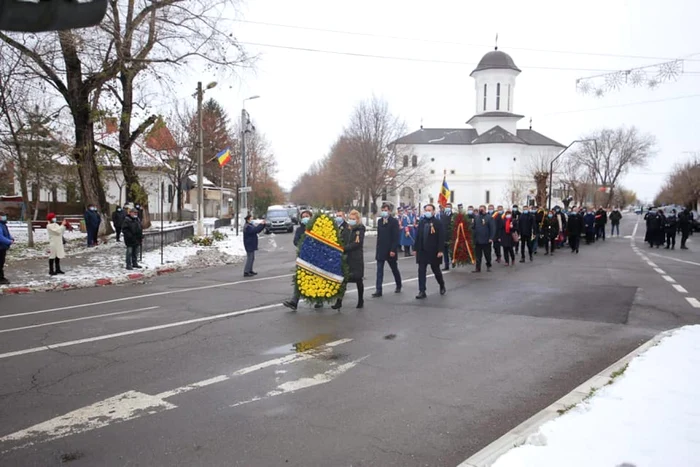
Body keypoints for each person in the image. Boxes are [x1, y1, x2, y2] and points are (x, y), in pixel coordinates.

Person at [283, 210, 323, 311]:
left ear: (311, 217)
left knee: (316, 279)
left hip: (315, 258)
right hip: (303, 257)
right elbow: (296, 241)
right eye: (303, 216)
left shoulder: (316, 227)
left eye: (307, 216)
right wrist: (303, 245)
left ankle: (319, 300)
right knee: (300, 279)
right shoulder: (299, 229)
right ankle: (294, 302)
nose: (305, 218)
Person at [332, 210, 365, 310]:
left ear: (357, 219)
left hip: (356, 258)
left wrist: (344, 248)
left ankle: (360, 300)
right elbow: (342, 239)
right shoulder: (346, 228)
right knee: (343, 280)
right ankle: (339, 301)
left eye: (353, 219)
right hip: (346, 258)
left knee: (358, 279)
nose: (351, 220)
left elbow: (357, 243)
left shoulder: (360, 229)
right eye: (350, 218)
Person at [414, 204, 446, 299]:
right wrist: (415, 248)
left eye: (429, 210)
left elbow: (441, 237)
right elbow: (418, 236)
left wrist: (440, 250)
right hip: (422, 251)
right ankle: (422, 290)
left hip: (433, 251)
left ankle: (441, 284)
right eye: (426, 210)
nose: (427, 212)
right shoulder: (422, 222)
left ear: (433, 211)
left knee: (436, 270)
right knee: (421, 271)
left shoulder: (438, 223)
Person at [372, 203, 402, 298]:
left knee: (394, 268)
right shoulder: (380, 221)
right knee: (379, 270)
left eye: (386, 210)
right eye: (383, 210)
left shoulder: (393, 222)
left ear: (389, 211)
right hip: (381, 249)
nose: (384, 212)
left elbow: (395, 237)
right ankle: (378, 290)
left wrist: (393, 249)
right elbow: (380, 236)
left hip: (390, 250)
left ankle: (398, 284)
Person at [472, 205, 495, 273]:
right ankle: (477, 268)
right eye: (480, 210)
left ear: (485, 210)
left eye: (482, 210)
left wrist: (491, 238)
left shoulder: (489, 217)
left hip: (486, 240)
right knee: (478, 255)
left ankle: (488, 265)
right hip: (478, 240)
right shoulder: (476, 217)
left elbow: (492, 228)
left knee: (487, 254)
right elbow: (473, 228)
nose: (480, 211)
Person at [0, 211, 14, 285]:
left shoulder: (3, 225)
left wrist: (11, 238)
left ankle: (1, 277)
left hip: (2, 247)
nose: (4, 217)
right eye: (3, 216)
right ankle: (1, 278)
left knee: (1, 263)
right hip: (0, 247)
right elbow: (0, 237)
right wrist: (8, 241)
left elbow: (6, 234)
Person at [439, 203, 453, 271]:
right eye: (446, 206)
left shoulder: (453, 215)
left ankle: (453, 261)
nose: (447, 207)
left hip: (451, 236)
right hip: (444, 236)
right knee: (445, 252)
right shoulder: (442, 215)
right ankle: (446, 265)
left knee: (451, 251)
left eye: (449, 207)